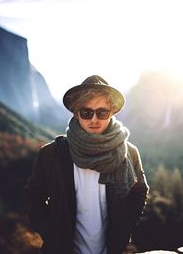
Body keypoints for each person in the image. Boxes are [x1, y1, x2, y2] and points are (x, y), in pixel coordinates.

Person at [23, 75, 149, 254]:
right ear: (76, 112)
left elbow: (139, 192)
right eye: (86, 112)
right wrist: (50, 232)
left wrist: (123, 228)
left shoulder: (129, 152)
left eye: (102, 112)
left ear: (112, 112)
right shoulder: (52, 154)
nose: (94, 119)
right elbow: (33, 196)